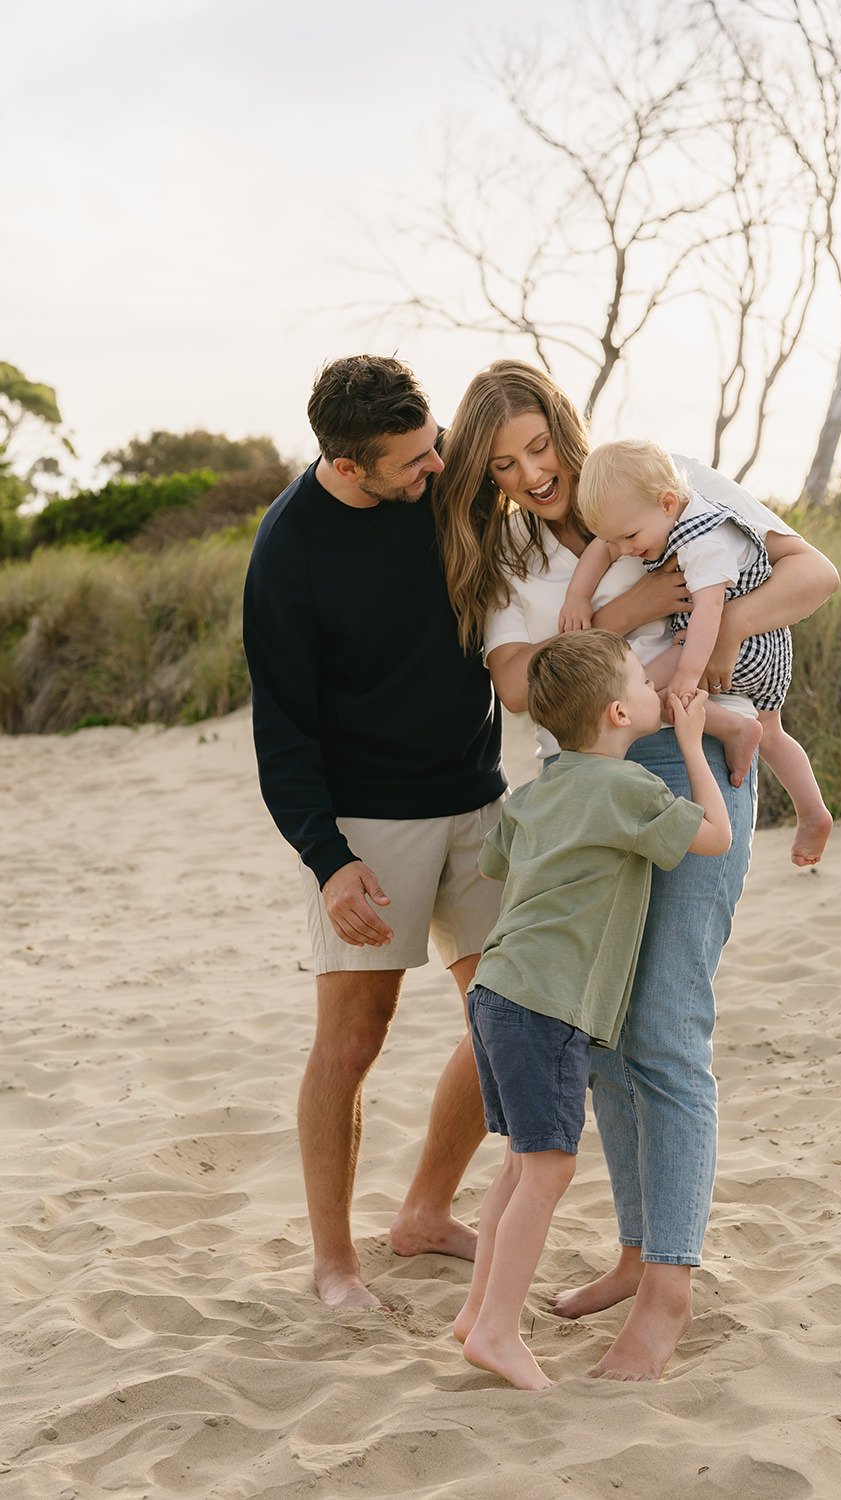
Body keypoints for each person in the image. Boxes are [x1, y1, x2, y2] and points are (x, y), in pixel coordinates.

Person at [433, 359, 840, 1380]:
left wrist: (703, 647)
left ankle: (667, 1293)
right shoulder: (513, 557)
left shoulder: (669, 481)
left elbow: (808, 578)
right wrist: (635, 606)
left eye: (536, 445)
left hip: (692, 753)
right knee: (602, 1033)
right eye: (503, 465)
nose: (530, 474)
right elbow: (526, 688)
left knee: (663, 1027)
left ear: (563, 427)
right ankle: (628, 1253)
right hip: (587, 783)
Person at [242, 354, 507, 1310]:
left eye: (433, 446)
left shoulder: (445, 490)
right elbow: (284, 729)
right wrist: (330, 861)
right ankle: (334, 1264)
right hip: (364, 823)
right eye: (409, 461)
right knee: (353, 1043)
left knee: (510, 1018)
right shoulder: (289, 549)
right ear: (349, 466)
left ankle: (425, 1215)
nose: (434, 469)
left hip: (479, 802)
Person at [455, 631, 731, 1391]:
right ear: (619, 711)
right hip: (547, 1004)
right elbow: (716, 835)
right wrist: (690, 741)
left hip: (496, 990)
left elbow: (496, 862)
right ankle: (498, 1332)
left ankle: (477, 1311)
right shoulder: (626, 790)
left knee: (518, 1165)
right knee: (550, 1169)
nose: (654, 686)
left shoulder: (538, 789)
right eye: (644, 682)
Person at [567, 438, 832, 866]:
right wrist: (577, 597)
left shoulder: (704, 540)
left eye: (631, 538)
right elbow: (603, 546)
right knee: (773, 730)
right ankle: (812, 810)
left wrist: (688, 676)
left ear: (668, 503)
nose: (626, 551)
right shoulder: (653, 516)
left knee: (648, 693)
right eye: (617, 541)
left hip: (743, 642)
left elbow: (711, 613)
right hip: (760, 640)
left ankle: (731, 727)